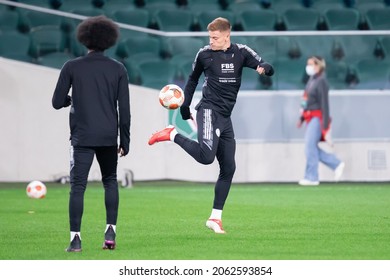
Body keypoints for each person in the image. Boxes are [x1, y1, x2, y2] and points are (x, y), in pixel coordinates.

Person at [148, 17, 274, 234]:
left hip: (225, 116)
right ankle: (171, 135)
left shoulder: (242, 52)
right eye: (210, 37)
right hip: (208, 110)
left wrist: (264, 68)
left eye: (215, 37)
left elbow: (267, 66)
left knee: (229, 168)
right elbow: (192, 79)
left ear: (227, 35)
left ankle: (215, 218)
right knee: (206, 157)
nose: (211, 41)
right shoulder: (204, 54)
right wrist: (185, 106)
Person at [52, 16, 131, 252]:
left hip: (82, 137)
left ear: (84, 39)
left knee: (78, 186)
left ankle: (75, 239)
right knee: (110, 182)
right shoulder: (118, 68)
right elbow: (124, 110)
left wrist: (70, 100)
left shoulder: (72, 66)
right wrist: (124, 140)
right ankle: (110, 233)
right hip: (108, 137)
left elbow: (56, 102)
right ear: (109, 40)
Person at [297, 56, 344, 186]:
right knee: (310, 147)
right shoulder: (312, 79)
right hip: (310, 116)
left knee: (309, 146)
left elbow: (324, 104)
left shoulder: (322, 81)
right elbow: (306, 100)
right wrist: (301, 118)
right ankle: (336, 163)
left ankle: (312, 177)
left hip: (318, 117)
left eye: (310, 64)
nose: (308, 67)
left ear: (318, 65)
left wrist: (325, 125)